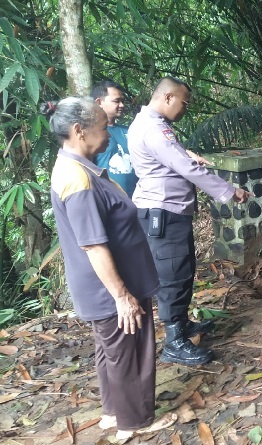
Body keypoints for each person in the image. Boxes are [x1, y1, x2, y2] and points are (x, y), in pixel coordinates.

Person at [44, 97, 176, 440]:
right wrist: (121, 295)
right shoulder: (77, 179)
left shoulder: (79, 167)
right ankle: (135, 422)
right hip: (111, 288)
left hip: (110, 284)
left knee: (113, 351)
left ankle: (113, 413)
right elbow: (92, 243)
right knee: (130, 351)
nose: (108, 133)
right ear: (79, 131)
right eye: (103, 128)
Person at [128, 77, 251, 366]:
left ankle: (182, 326)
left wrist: (189, 155)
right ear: (168, 97)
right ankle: (175, 343)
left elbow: (173, 159)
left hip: (168, 212)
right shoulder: (155, 129)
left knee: (182, 271)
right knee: (172, 276)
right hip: (163, 213)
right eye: (184, 103)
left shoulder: (149, 124)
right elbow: (184, 168)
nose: (185, 109)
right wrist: (229, 191)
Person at [91, 81, 137, 197]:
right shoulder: (90, 133)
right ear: (99, 102)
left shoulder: (129, 131)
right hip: (108, 200)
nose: (122, 105)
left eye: (122, 101)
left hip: (137, 200)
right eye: (116, 101)